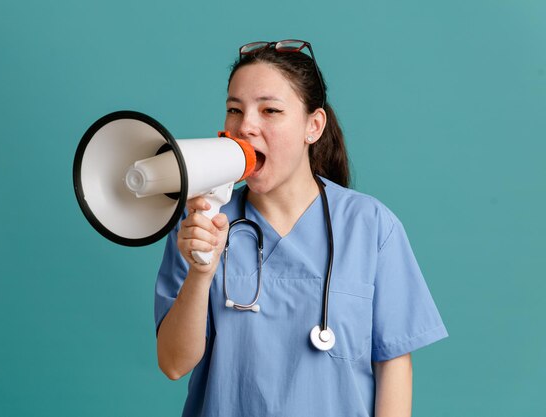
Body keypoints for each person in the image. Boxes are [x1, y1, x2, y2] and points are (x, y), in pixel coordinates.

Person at [154, 39, 448, 417]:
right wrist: (201, 272)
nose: (246, 127)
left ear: (314, 125)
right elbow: (174, 364)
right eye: (234, 109)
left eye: (270, 110)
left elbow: (393, 365)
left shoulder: (371, 226)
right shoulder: (200, 222)